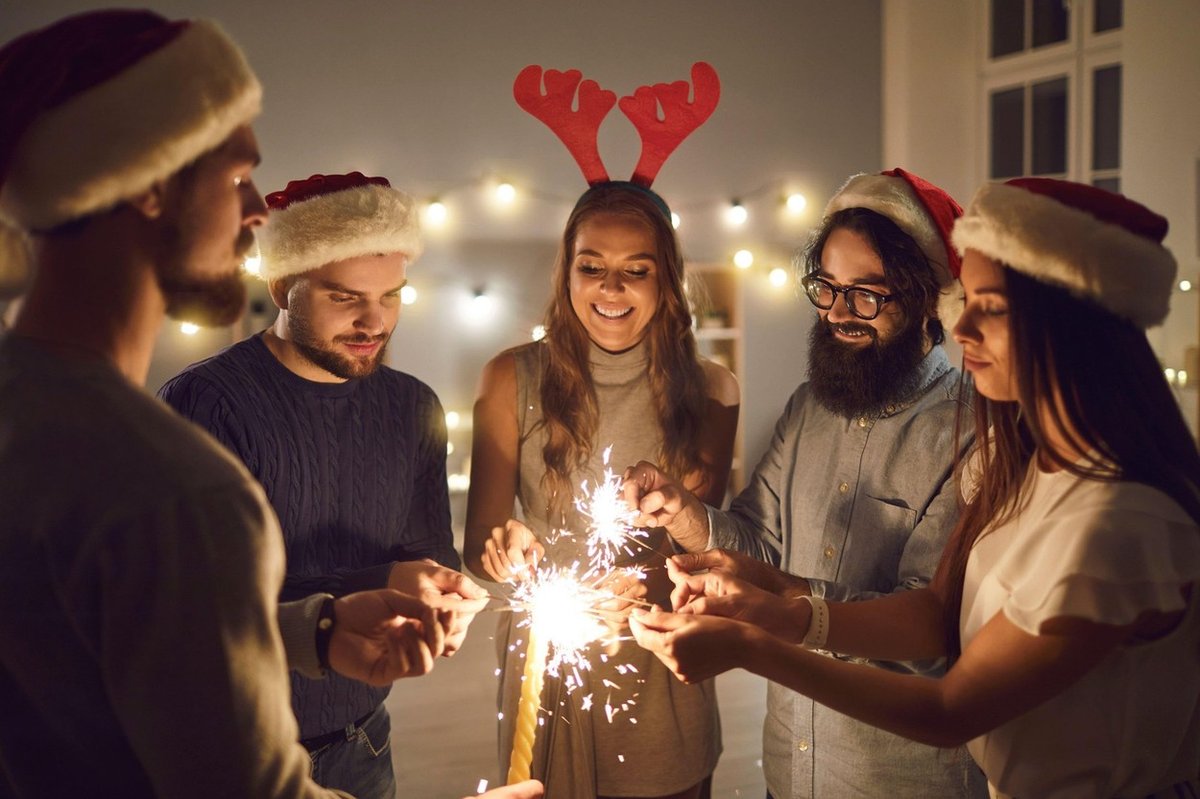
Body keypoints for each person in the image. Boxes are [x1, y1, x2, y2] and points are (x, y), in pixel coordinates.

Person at [0, 11, 540, 799]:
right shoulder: (173, 483)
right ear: (151, 182)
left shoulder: (27, 408)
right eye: (234, 175)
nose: (257, 209)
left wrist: (315, 628)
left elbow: (118, 638)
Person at [631, 178, 1200, 798]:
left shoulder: (1122, 523)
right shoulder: (1033, 471)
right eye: (826, 288)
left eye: (993, 305)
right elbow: (935, 612)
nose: (964, 327)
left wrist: (752, 643)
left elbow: (954, 709)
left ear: (1076, 325)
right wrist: (761, 600)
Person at [621, 169, 987, 798]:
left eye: (867, 294)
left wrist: (775, 611)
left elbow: (931, 633)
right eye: (826, 287)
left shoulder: (970, 430)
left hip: (899, 779)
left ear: (928, 297)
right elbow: (758, 547)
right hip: (791, 771)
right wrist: (680, 510)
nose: (839, 312)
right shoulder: (806, 407)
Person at [159, 170, 486, 799]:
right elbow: (189, 603)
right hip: (233, 748)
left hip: (363, 739)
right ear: (283, 286)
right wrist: (376, 585)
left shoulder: (413, 405)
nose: (374, 321)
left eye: (391, 295)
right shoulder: (206, 402)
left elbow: (427, 554)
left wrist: (437, 595)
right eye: (345, 297)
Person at [465, 178, 739, 797]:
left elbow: (710, 545)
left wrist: (638, 590)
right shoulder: (510, 377)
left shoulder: (712, 390)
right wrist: (503, 549)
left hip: (660, 663)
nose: (611, 288)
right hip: (548, 663)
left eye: (635, 270)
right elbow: (479, 540)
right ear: (568, 275)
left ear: (665, 281)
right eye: (592, 267)